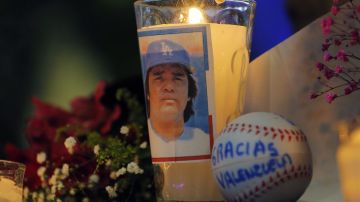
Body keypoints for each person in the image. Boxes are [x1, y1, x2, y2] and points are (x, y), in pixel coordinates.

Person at [143, 39, 210, 160]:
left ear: (189, 92)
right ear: (147, 91)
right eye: (158, 77)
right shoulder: (136, 137)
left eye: (178, 78)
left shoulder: (205, 143)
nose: (169, 87)